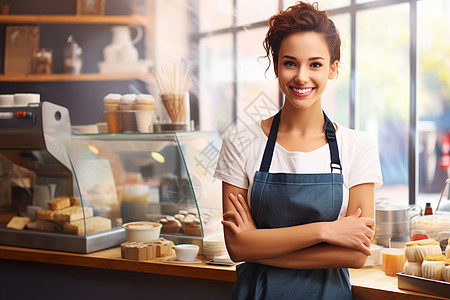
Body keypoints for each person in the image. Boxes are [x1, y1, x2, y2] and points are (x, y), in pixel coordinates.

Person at [214, 2, 383, 299]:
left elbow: (356, 256)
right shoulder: (240, 141)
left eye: (315, 64)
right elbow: (236, 247)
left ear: (333, 69)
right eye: (290, 63)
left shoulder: (358, 146)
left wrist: (258, 246)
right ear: (276, 66)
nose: (301, 77)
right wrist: (325, 231)